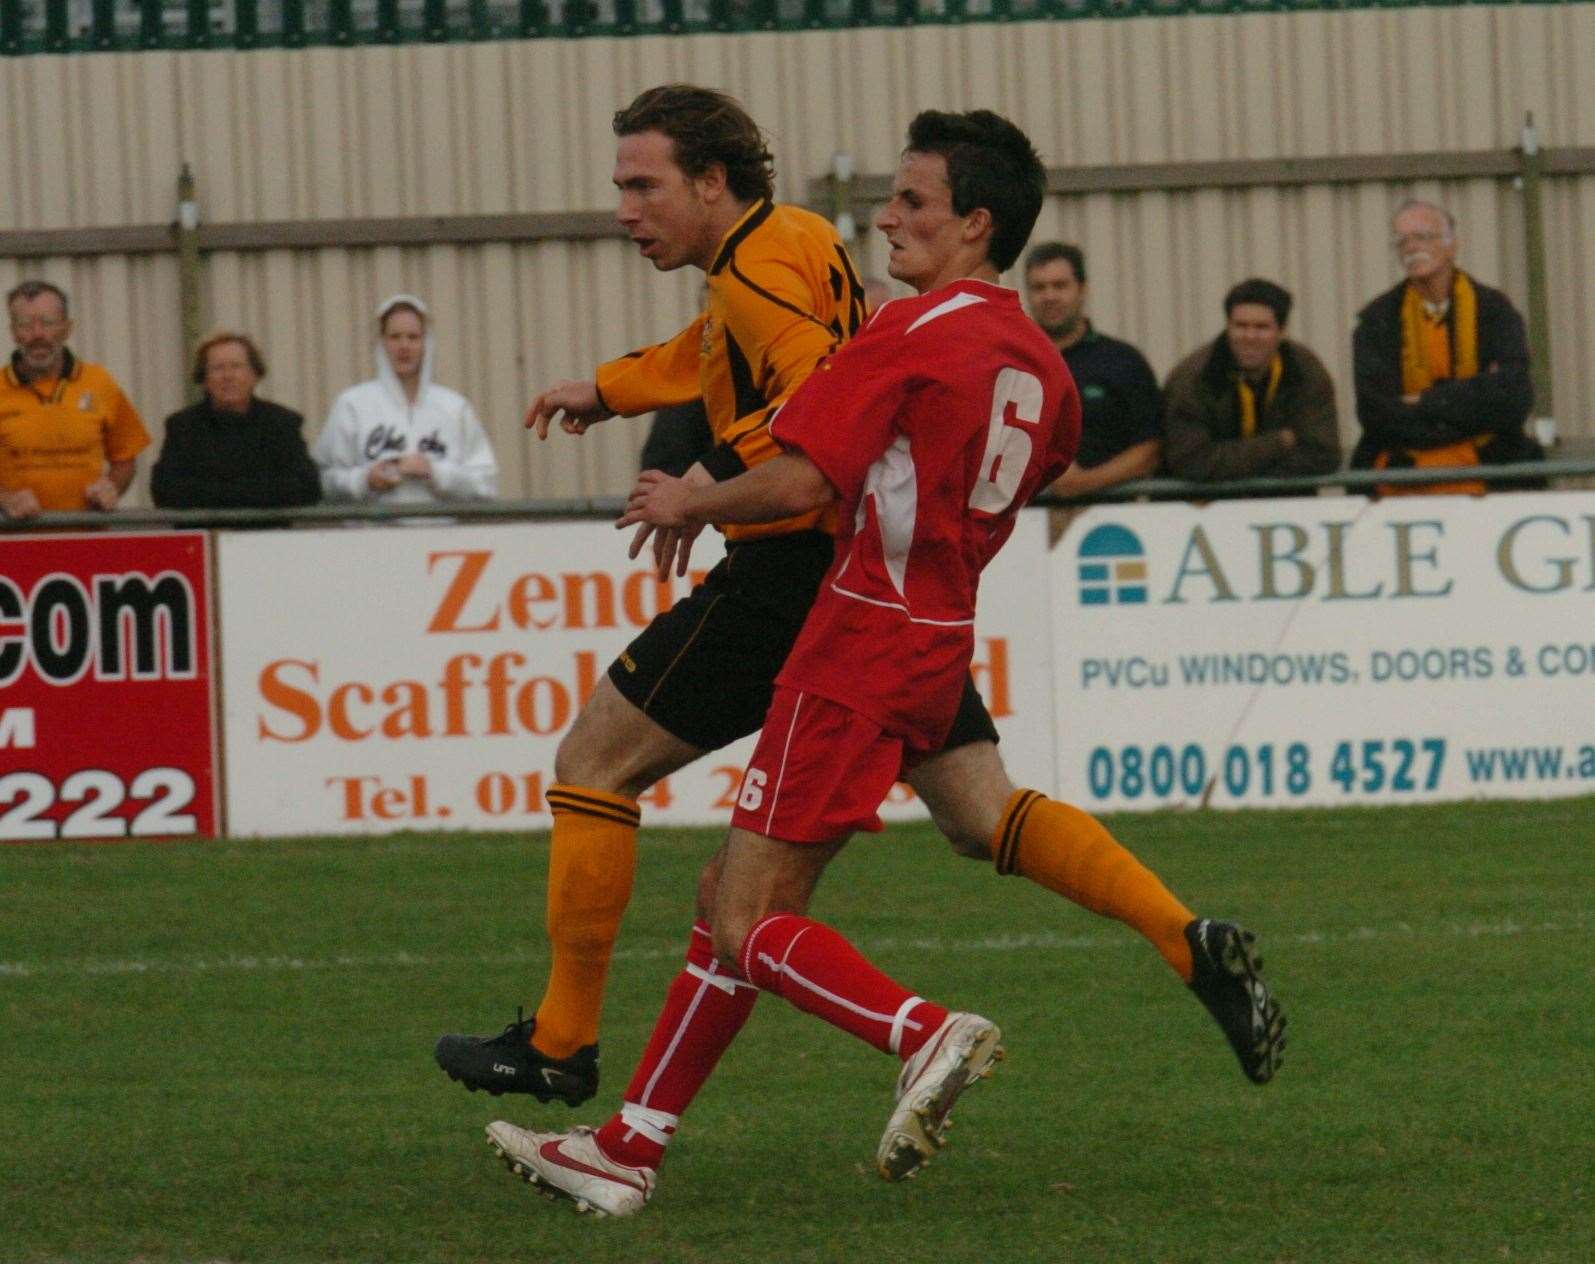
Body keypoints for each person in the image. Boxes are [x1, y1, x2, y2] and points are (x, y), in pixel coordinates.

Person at [482, 110, 1280, 1217]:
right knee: (916, 834)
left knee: (747, 919)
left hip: (851, 635)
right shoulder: (1042, 368)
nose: (886, 218)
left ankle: (918, 1033)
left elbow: (807, 480)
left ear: (974, 223)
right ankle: (625, 1145)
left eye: (910, 202)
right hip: (935, 629)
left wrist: (694, 496)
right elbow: (1023, 473)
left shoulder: (905, 332)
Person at [1350, 199, 1539, 494]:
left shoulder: (1494, 311)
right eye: (1402, 241)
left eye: (1423, 237)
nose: (1411, 248)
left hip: (1491, 471)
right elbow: (1377, 415)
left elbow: (1514, 399)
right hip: (1402, 475)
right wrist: (1473, 399)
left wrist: (1424, 402)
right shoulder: (1378, 320)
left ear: (1453, 246)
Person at [313, 295, 498, 505]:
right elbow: (321, 481)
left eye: (413, 337)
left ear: (426, 342)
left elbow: (486, 484)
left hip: (442, 534)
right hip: (371, 534)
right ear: (382, 342)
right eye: (395, 337)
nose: (404, 346)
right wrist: (365, 480)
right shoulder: (352, 405)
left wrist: (436, 473)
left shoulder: (455, 408)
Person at [1162, 278, 1341, 485]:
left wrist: (1234, 466)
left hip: (1286, 503)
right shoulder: (1193, 378)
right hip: (1207, 504)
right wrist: (1279, 442)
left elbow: (1324, 455)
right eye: (1240, 326)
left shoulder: (1306, 370)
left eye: (1262, 327)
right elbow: (1192, 463)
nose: (1250, 336)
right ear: (1228, 327)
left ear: (1282, 332)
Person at [1021, 242, 1163, 498]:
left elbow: (1150, 450)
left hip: (1108, 523)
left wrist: (1081, 484)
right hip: (1023, 525)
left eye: (1060, 285)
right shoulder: (1010, 362)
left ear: (1083, 289)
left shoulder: (1123, 361)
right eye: (1039, 287)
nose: (1049, 296)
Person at [0, 280, 149, 519]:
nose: (38, 334)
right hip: (14, 541)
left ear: (67, 328)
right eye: (26, 324)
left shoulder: (100, 382)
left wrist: (111, 488)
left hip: (85, 539)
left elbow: (125, 459)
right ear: (13, 332)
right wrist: (5, 498)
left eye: (48, 323)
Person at [150, 331, 320, 510]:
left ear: (255, 375)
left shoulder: (282, 424)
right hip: (205, 533)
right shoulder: (182, 427)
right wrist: (257, 491)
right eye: (218, 368)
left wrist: (215, 493)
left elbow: (306, 488)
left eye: (237, 366)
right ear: (204, 379)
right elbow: (166, 491)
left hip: (269, 534)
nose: (228, 376)